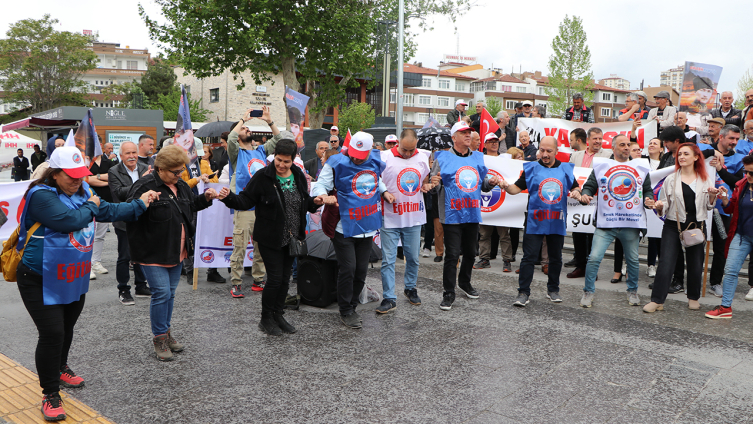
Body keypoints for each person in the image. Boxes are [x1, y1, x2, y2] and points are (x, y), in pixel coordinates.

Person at [16, 146, 155, 421]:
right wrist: (92, 205)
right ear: (55, 174)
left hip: (71, 274)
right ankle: (50, 393)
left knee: (66, 328)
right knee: (52, 333)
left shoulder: (80, 193)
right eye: (71, 176)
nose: (78, 180)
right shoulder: (40, 196)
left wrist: (140, 203)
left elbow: (109, 210)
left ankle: (60, 367)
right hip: (38, 277)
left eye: (81, 175)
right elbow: (70, 221)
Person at [126, 145, 225, 360]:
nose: (179, 175)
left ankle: (166, 332)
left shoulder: (181, 185)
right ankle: (160, 338)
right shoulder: (144, 185)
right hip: (152, 251)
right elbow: (127, 212)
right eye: (174, 172)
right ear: (160, 168)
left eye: (181, 171)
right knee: (161, 294)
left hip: (178, 249)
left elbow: (190, 206)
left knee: (169, 294)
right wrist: (143, 203)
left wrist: (206, 198)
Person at [220, 139, 323, 334]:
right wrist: (228, 197)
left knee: (285, 280)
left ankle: (278, 314)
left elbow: (305, 203)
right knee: (275, 279)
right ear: (273, 156)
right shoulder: (263, 177)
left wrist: (315, 202)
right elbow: (244, 201)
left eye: (286, 161)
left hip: (293, 237)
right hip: (270, 237)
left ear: (293, 160)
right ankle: (265, 318)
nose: (282, 165)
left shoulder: (298, 175)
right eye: (278, 160)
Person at [312, 132, 392, 328]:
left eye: (361, 154)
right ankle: (345, 310)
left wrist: (385, 191)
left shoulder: (375, 158)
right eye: (354, 153)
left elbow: (376, 179)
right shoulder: (336, 162)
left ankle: (353, 305)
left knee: (361, 270)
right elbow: (321, 183)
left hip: (366, 224)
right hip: (343, 226)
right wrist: (323, 196)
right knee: (348, 268)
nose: (356, 158)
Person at [501, 137, 581, 306]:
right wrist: (505, 186)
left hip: (557, 220)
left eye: (549, 151)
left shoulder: (565, 169)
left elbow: (575, 186)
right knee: (529, 257)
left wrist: (576, 192)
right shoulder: (531, 168)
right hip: (534, 220)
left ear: (556, 151)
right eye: (542, 150)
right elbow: (516, 188)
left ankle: (553, 289)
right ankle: (523, 293)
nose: (544, 154)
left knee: (555, 257)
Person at [429, 121, 501, 310]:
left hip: (472, 213)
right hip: (451, 214)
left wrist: (491, 182)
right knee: (452, 255)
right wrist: (434, 183)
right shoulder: (442, 158)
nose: (468, 135)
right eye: (463, 133)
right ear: (454, 138)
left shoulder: (478, 157)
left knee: (471, 253)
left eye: (469, 132)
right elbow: (432, 186)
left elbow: (482, 185)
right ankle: (448, 292)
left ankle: (465, 282)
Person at [577, 134, 652, 308]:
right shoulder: (602, 166)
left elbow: (647, 190)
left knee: (633, 260)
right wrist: (586, 194)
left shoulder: (640, 167)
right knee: (594, 257)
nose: (626, 147)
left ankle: (632, 291)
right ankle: (588, 292)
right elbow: (590, 185)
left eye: (628, 145)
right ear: (613, 148)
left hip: (630, 223)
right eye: (622, 145)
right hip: (606, 224)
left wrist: (648, 199)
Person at [643, 143, 719, 313]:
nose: (682, 157)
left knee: (695, 263)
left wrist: (713, 195)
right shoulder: (671, 178)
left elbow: (708, 207)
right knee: (666, 263)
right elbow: (664, 204)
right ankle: (657, 300)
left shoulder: (704, 178)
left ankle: (693, 297)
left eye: (686, 154)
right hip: (673, 225)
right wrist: (658, 205)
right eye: (679, 154)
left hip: (696, 225)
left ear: (696, 157)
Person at [227, 107, 280, 297]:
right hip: (244, 207)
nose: (248, 130)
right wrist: (244, 119)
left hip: (262, 207)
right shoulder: (236, 153)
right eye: (244, 129)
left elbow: (279, 140)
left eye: (248, 128)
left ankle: (259, 280)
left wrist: (269, 121)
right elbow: (231, 139)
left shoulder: (260, 151)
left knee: (260, 246)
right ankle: (236, 283)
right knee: (240, 247)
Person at [376, 129, 431, 313]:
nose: (408, 154)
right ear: (398, 142)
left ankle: (410, 288)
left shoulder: (422, 157)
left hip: (414, 217)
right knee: (388, 261)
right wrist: (384, 192)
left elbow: (424, 178)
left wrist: (426, 185)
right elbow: (375, 179)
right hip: (389, 217)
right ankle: (389, 297)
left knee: (413, 258)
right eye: (404, 150)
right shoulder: (384, 157)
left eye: (411, 150)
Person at [705, 155, 753, 319]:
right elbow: (730, 208)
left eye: (752, 173)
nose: (748, 176)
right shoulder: (742, 186)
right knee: (730, 271)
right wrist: (724, 198)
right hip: (742, 236)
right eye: (746, 172)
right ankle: (725, 307)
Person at [703, 125, 745, 297]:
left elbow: (737, 183)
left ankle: (715, 282)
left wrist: (720, 169)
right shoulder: (705, 149)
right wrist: (714, 154)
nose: (734, 142)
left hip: (723, 210)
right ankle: (690, 280)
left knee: (721, 248)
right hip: (702, 208)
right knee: (697, 244)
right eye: (731, 138)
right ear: (721, 137)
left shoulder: (739, 159)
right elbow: (690, 154)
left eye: (737, 139)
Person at [108, 141, 152, 305]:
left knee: (141, 253)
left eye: (134, 152)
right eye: (128, 153)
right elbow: (119, 194)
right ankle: (123, 290)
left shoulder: (143, 167)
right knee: (125, 256)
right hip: (124, 219)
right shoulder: (114, 171)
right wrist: (140, 182)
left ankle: (141, 286)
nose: (132, 156)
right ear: (121, 156)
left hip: (143, 217)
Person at [566, 127, 611, 277]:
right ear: (588, 140)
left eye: (600, 138)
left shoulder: (608, 155)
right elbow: (570, 176)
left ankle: (592, 269)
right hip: (577, 200)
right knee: (577, 234)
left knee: (593, 236)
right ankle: (580, 266)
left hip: (597, 201)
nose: (598, 141)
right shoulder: (575, 156)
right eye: (595, 139)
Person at [475, 133, 513, 272]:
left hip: (502, 202)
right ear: (484, 144)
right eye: (490, 141)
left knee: (504, 234)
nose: (494, 143)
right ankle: (484, 258)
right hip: (486, 203)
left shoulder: (505, 159)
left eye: (496, 141)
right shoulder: (480, 160)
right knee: (484, 233)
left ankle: (507, 260)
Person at [87, 145, 117, 280]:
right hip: (90, 201)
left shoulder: (108, 162)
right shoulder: (87, 163)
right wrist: (109, 182)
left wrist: (98, 178)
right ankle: (87, 265)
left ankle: (96, 262)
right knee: (88, 236)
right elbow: (87, 180)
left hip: (106, 202)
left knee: (100, 236)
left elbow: (113, 176)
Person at [645, 137, 663, 278]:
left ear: (662, 149)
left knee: (655, 236)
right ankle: (626, 263)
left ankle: (652, 264)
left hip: (658, 203)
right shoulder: (643, 161)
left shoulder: (666, 164)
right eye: (650, 143)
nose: (651, 145)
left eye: (655, 143)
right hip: (642, 201)